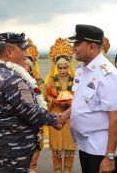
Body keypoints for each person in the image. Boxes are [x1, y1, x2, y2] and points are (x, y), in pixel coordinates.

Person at [0, 32, 64, 173]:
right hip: (13, 148)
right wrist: (54, 119)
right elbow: (31, 112)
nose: (25, 54)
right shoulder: (12, 79)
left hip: (10, 146)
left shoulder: (5, 73)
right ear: (9, 52)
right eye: (22, 50)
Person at [62, 24, 117, 173]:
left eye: (77, 44)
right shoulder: (81, 70)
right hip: (85, 145)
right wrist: (64, 116)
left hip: (101, 149)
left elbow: (116, 119)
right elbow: (81, 102)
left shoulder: (108, 75)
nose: (73, 48)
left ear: (91, 47)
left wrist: (109, 157)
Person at [45, 37, 77, 173]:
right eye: (60, 67)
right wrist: (54, 101)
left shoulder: (75, 79)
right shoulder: (51, 80)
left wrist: (71, 101)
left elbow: (79, 95)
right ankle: (57, 171)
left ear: (69, 66)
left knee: (70, 146)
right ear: (56, 67)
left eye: (65, 67)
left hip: (70, 115)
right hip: (56, 114)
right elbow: (47, 97)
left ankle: (67, 171)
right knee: (57, 147)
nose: (63, 70)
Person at [24, 38, 46, 173]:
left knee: (36, 143)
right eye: (23, 64)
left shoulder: (39, 81)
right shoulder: (16, 80)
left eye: (28, 65)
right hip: (22, 119)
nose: (25, 67)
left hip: (37, 117)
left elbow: (43, 100)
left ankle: (33, 167)